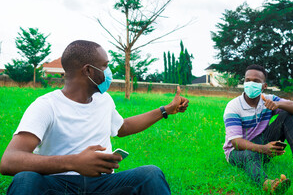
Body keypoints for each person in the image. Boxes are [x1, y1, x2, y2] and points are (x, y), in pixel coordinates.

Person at [0, 40, 189, 195]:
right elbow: (9, 160)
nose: (109, 72)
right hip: (57, 184)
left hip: (103, 184)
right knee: (25, 180)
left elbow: (122, 127)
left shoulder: (103, 100)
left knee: (151, 174)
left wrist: (165, 110)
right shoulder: (46, 105)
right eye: (105, 66)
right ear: (88, 71)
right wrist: (73, 163)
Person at [223, 64, 293, 194]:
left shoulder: (268, 100)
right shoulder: (233, 106)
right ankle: (267, 183)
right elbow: (236, 143)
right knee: (249, 154)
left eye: (256, 81)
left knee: (287, 115)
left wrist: (278, 104)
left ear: (264, 86)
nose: (250, 84)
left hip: (261, 143)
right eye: (247, 80)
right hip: (237, 152)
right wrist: (264, 149)